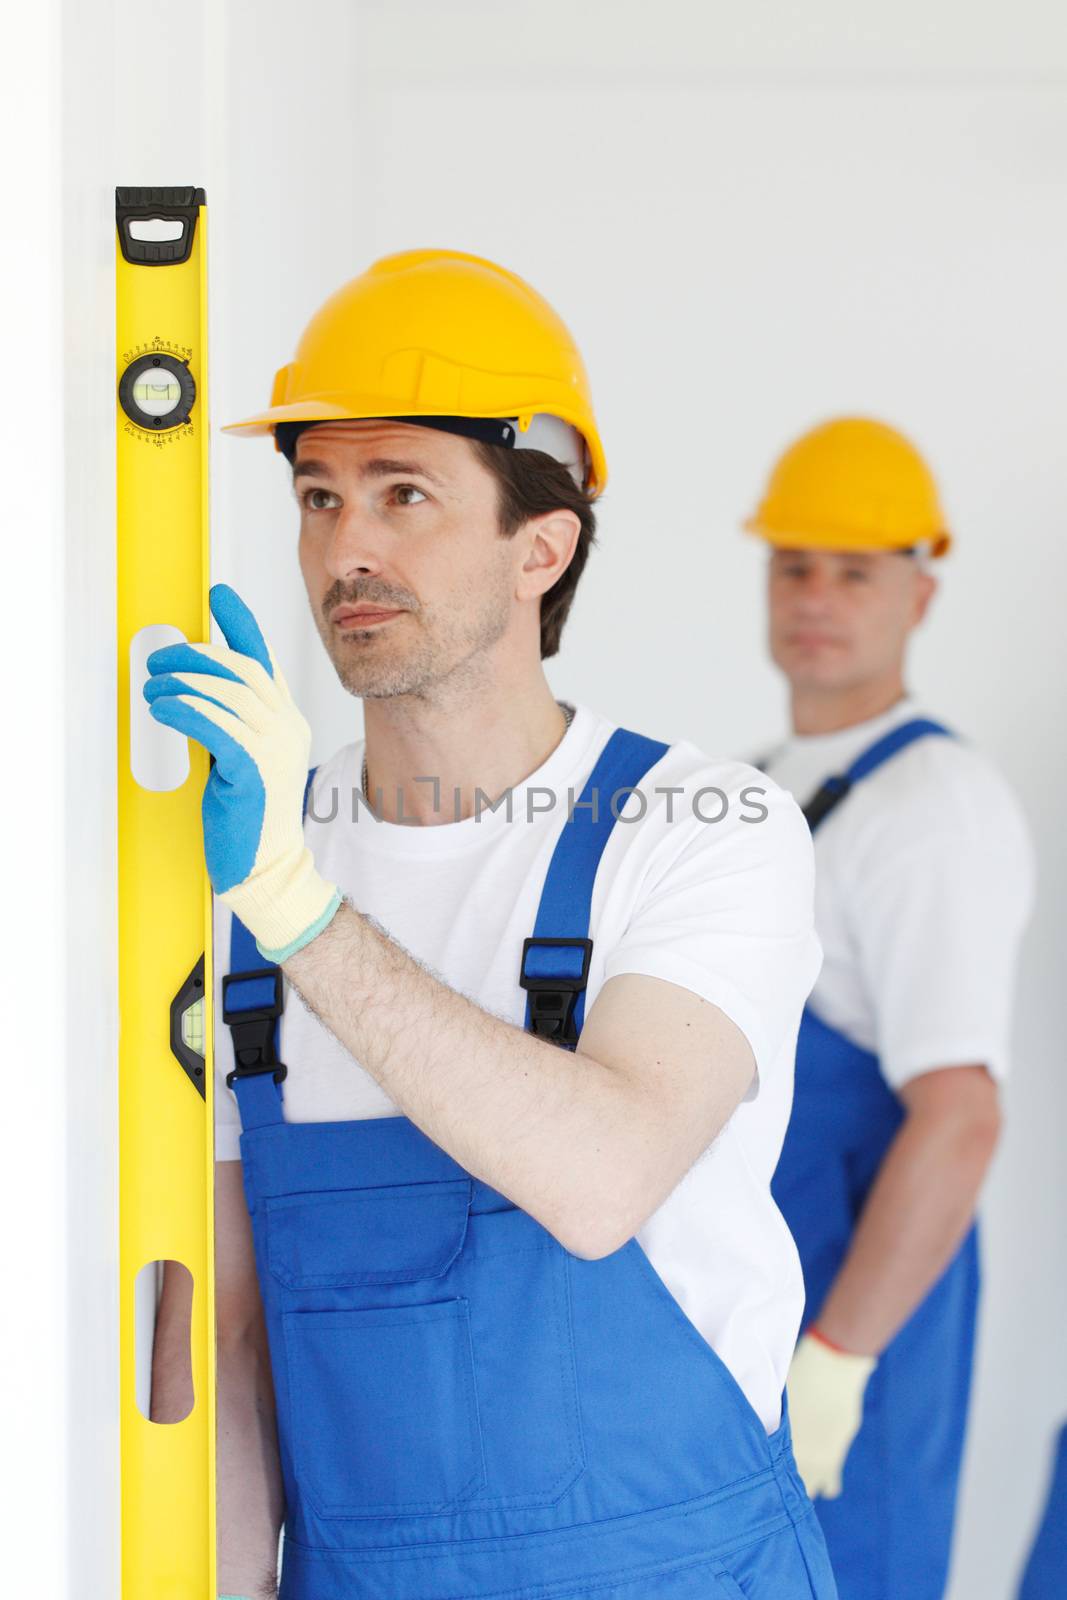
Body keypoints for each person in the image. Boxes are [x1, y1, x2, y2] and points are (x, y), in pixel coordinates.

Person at [146, 248, 837, 1600]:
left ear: (543, 543)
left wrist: (293, 905)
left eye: (404, 494)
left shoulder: (702, 828)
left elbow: (600, 1177)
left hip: (676, 1571)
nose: (345, 545)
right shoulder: (236, 868)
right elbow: (225, 1352)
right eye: (317, 495)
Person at [745, 417, 1035, 1599]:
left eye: (853, 571)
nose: (815, 596)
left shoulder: (934, 807)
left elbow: (958, 1115)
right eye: (792, 564)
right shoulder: (763, 782)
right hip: (760, 1294)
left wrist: (836, 1359)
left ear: (917, 593)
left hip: (853, 1314)